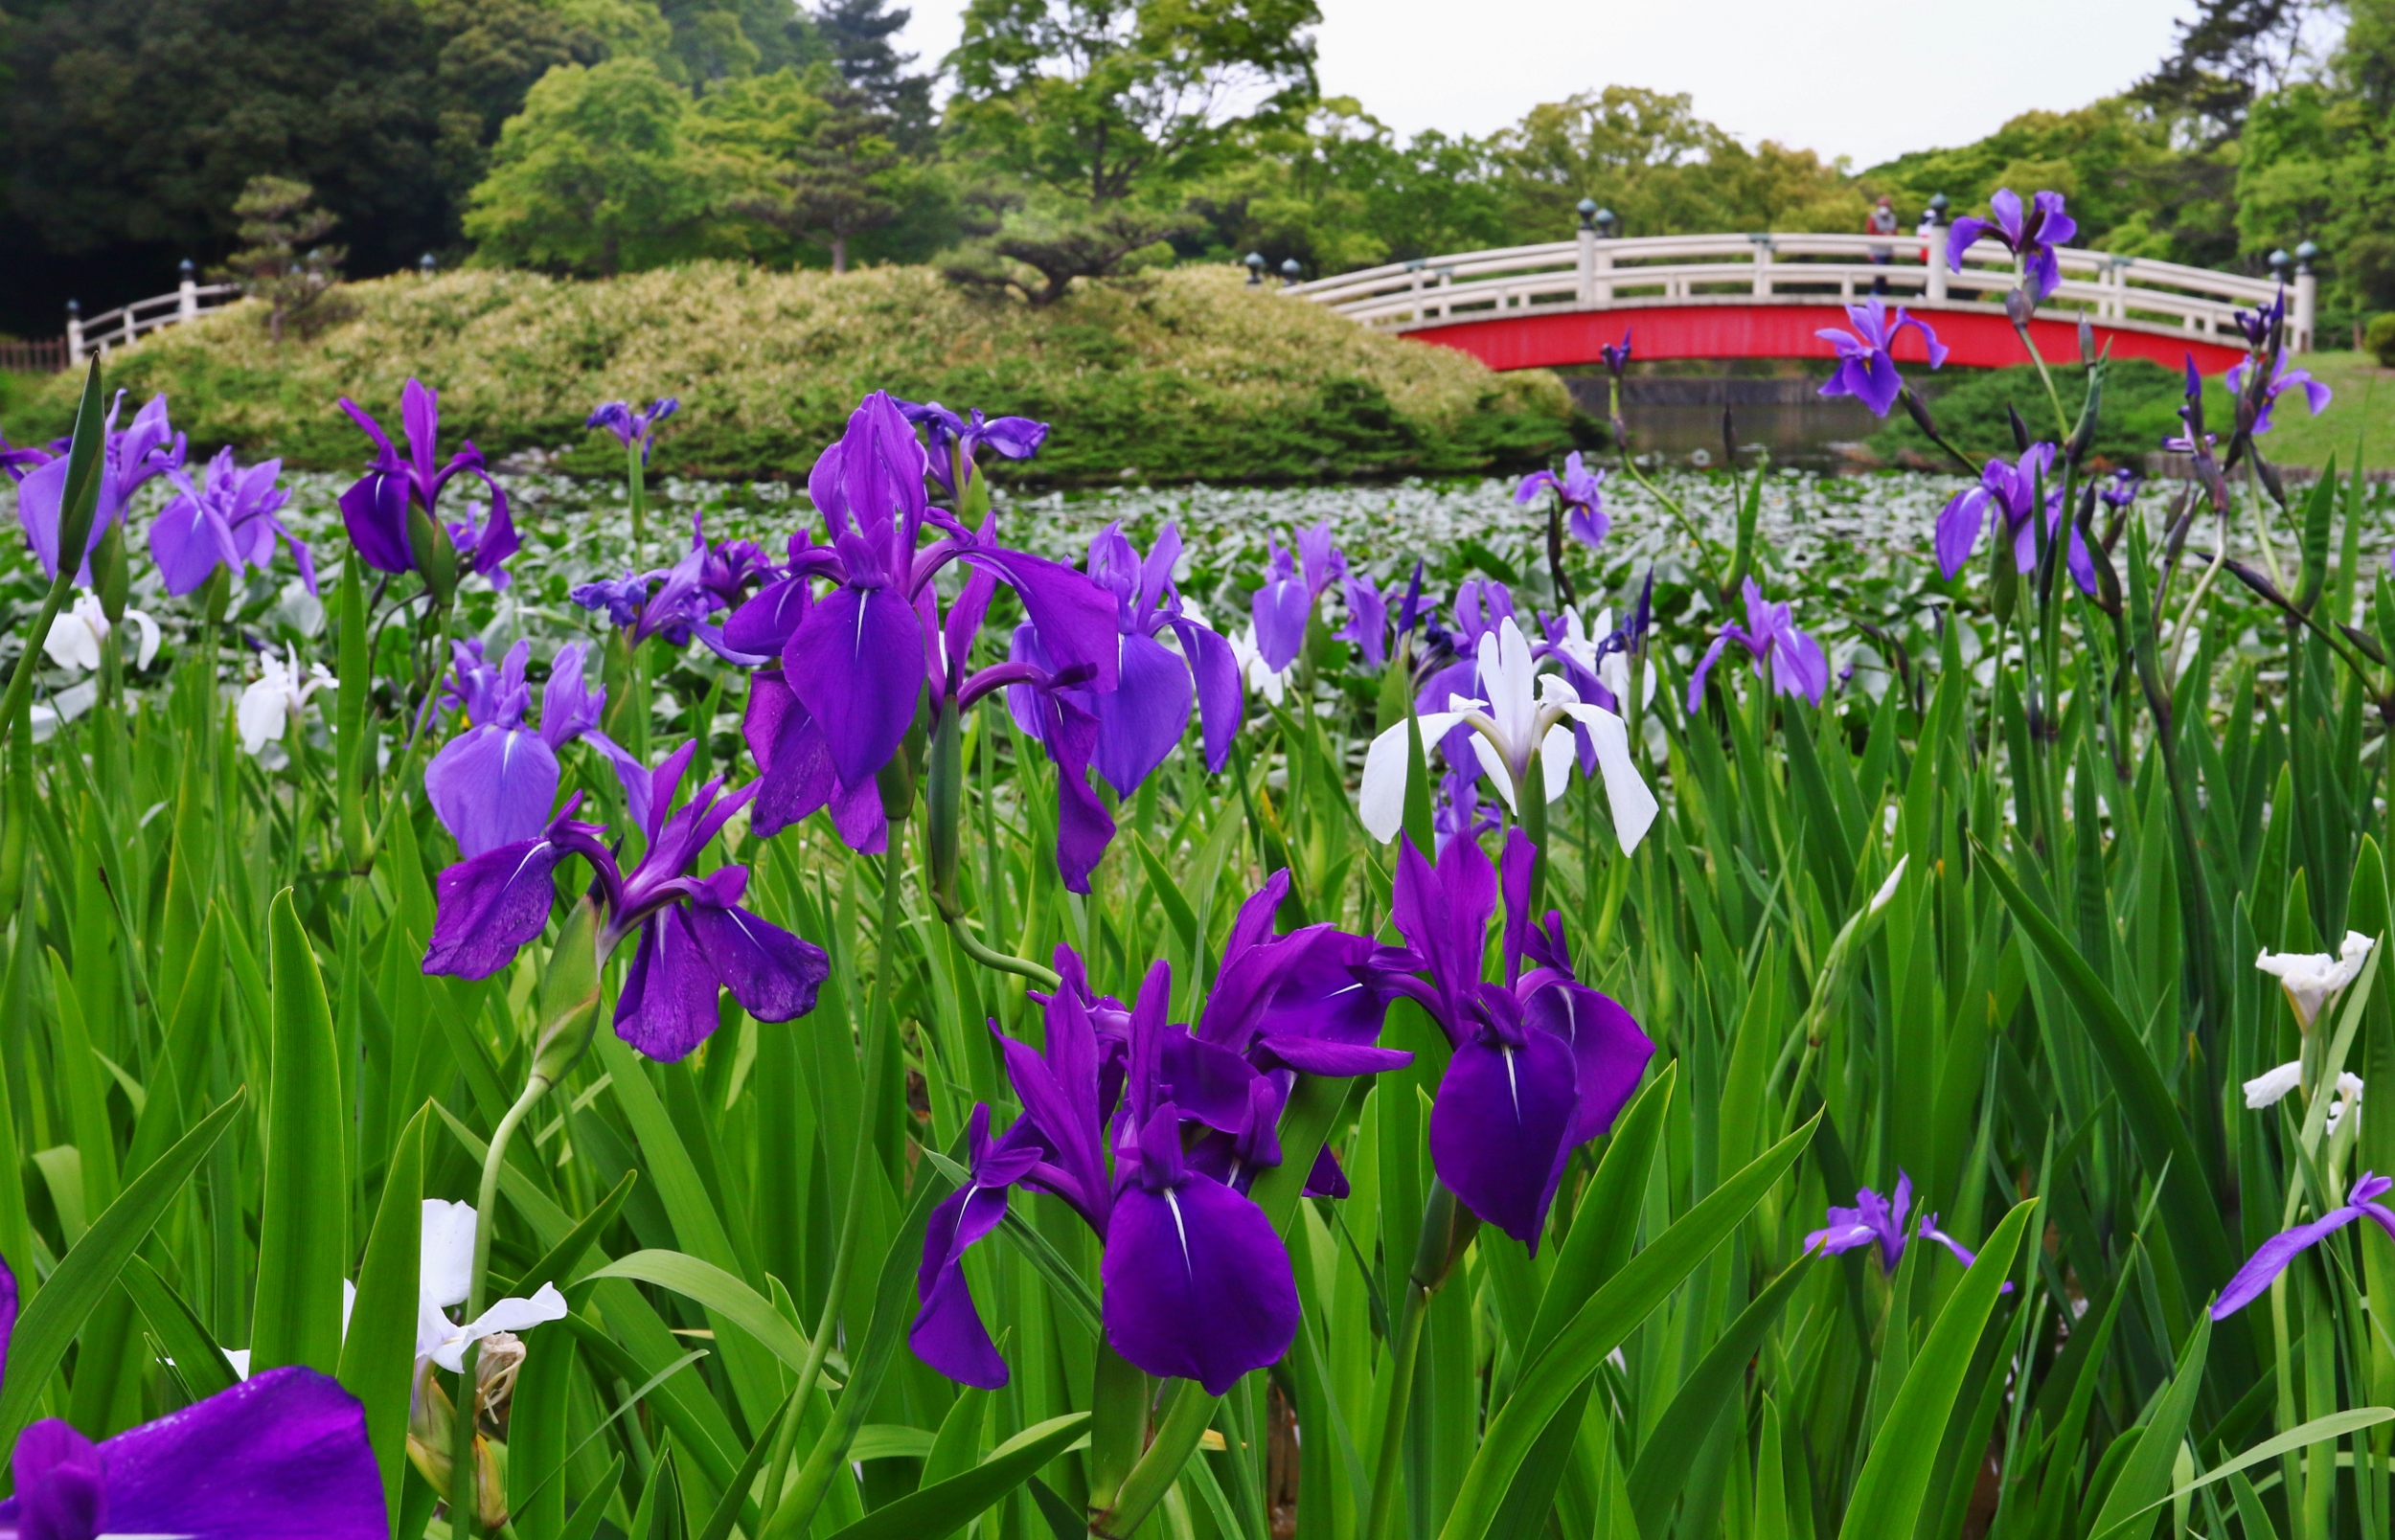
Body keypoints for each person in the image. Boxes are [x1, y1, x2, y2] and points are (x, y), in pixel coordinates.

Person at [1866, 194, 1899, 295]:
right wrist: (1884, 234)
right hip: (1877, 250)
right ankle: (1875, 293)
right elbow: (1870, 231)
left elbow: (1895, 232)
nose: (1884, 208)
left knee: (1885, 274)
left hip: (1888, 250)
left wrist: (1891, 235)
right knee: (1879, 272)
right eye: (1882, 205)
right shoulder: (1873, 218)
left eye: (1886, 205)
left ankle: (1884, 293)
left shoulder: (1893, 218)